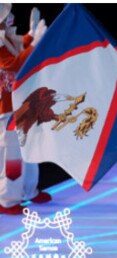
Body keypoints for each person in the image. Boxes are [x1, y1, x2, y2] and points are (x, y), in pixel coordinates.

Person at [0, 5, 50, 215]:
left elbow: (19, 46)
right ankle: (7, 200)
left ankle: (29, 190)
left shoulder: (6, 38)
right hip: (7, 107)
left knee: (30, 148)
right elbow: (12, 64)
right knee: (12, 154)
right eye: (5, 15)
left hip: (21, 101)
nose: (10, 17)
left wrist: (31, 35)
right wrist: (34, 43)